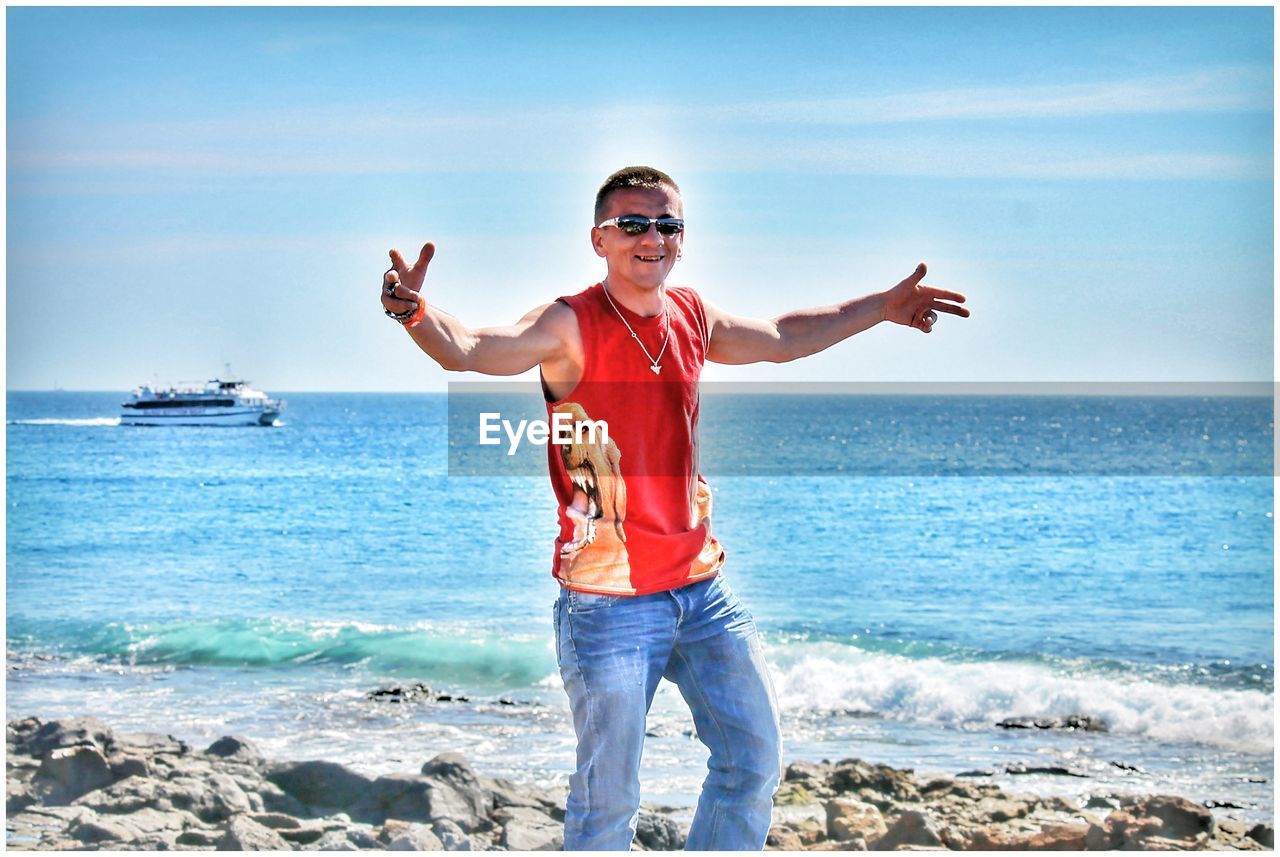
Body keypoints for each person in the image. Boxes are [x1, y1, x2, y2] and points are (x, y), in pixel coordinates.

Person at [379, 166, 969, 851]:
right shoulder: (570, 324)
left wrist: (880, 307)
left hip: (700, 588)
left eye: (667, 224)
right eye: (632, 224)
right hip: (607, 602)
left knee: (752, 762)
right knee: (609, 803)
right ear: (599, 239)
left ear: (681, 239)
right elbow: (476, 348)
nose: (650, 237)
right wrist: (413, 311)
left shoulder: (691, 315)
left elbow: (782, 335)